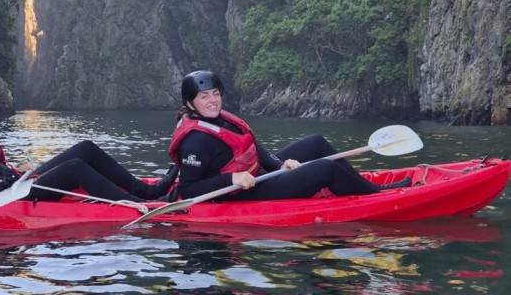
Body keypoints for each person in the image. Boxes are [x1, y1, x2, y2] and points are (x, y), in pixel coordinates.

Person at [0, 68, 177, 202]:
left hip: (15, 182)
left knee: (85, 148)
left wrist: (14, 168)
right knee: (74, 168)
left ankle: (146, 190)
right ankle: (136, 205)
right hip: (6, 200)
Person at [168, 70, 411, 201]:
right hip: (241, 195)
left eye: (215, 93)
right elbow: (188, 190)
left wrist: (279, 163)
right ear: (190, 103)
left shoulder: (220, 119)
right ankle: (377, 198)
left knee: (315, 142)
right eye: (204, 97)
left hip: (258, 176)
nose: (213, 101)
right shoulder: (195, 141)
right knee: (325, 169)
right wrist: (231, 180)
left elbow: (251, 149)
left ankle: (368, 188)